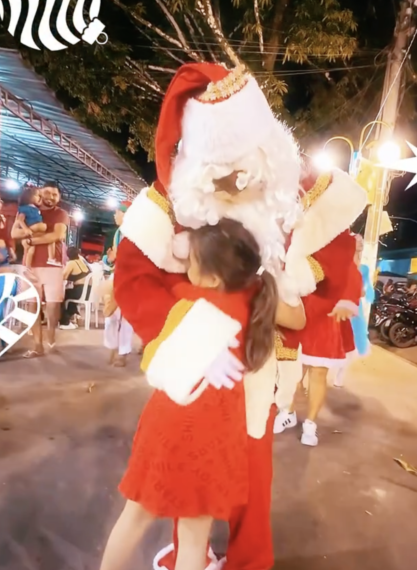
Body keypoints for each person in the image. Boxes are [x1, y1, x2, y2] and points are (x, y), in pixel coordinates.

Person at [112, 63, 304, 570]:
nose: (238, 183)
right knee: (183, 497)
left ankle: (245, 561)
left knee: (250, 481)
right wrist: (190, 339)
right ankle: (190, 556)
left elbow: (287, 302)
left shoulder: (273, 210)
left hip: (253, 373)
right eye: (225, 173)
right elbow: (133, 282)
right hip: (193, 386)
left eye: (246, 170)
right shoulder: (167, 207)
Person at [100, 219, 305, 570]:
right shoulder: (257, 302)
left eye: (191, 262)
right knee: (195, 536)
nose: (185, 269)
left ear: (211, 277)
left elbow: (153, 362)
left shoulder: (191, 304)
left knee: (136, 516)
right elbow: (298, 319)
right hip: (217, 437)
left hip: (170, 427)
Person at [273, 160, 368, 446]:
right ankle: (287, 411)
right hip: (296, 309)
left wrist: (347, 300)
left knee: (318, 371)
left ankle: (311, 424)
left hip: (326, 314)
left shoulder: (343, 240)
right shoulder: (290, 232)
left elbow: (351, 275)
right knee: (291, 368)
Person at [11, 181, 69, 358]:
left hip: (53, 264)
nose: (51, 197)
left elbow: (57, 235)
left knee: (53, 305)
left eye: (55, 194)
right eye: (47, 193)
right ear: (39, 194)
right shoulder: (27, 210)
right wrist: (33, 235)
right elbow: (14, 233)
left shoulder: (60, 213)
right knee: (31, 303)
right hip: (30, 264)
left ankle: (51, 338)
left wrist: (30, 240)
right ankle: (37, 345)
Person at [334, 235, 374, 387]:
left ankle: (339, 376)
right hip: (340, 306)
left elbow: (365, 290)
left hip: (355, 309)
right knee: (335, 342)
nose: (361, 243)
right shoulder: (341, 265)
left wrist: (361, 292)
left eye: (362, 241)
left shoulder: (364, 268)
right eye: (357, 241)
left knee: (351, 346)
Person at [103, 201, 135, 367]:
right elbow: (112, 257)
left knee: (125, 317)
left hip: (130, 276)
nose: (115, 215)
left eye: (118, 212)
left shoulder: (135, 233)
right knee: (111, 315)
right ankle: (113, 348)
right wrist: (109, 260)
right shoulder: (118, 232)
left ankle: (123, 352)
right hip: (117, 274)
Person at [13, 184, 60, 268]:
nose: (40, 198)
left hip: (37, 232)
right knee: (30, 250)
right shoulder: (25, 209)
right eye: (38, 196)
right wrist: (26, 229)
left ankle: (30, 266)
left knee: (33, 249)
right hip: (32, 231)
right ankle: (28, 266)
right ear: (29, 197)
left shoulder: (35, 208)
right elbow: (20, 220)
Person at [59, 246, 91, 330]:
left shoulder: (71, 263)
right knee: (68, 295)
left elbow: (63, 276)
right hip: (88, 291)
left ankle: (65, 321)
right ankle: (74, 314)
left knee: (60, 297)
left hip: (79, 291)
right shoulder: (81, 261)